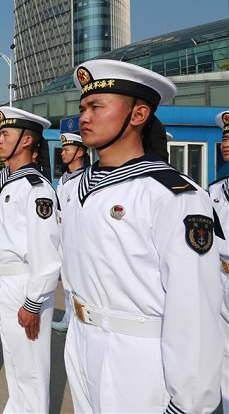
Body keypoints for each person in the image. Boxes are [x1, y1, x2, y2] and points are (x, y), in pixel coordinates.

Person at [64, 59, 223, 413]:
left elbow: (193, 308)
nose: (84, 117)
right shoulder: (75, 188)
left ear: (138, 115)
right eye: (82, 108)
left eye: (96, 106)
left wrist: (189, 402)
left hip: (136, 359)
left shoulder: (173, 195)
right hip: (81, 340)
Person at [0, 106, 61, 413]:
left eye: (5, 134)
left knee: (30, 370)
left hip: (23, 286)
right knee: (16, 360)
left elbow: (46, 253)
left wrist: (33, 302)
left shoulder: (37, 189)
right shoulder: (12, 182)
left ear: (27, 140)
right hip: (3, 282)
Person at [51, 132, 87, 333]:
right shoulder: (64, 179)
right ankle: (68, 317)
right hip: (62, 235)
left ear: (80, 152)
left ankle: (77, 319)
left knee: (77, 281)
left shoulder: (85, 178)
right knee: (66, 280)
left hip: (76, 237)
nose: (63, 153)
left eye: (67, 149)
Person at [208, 110, 229, 413]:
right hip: (221, 276)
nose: (226, 143)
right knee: (224, 354)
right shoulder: (215, 189)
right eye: (224, 137)